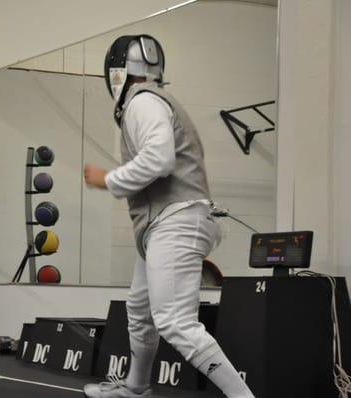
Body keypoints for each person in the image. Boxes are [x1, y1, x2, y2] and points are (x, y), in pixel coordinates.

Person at [83, 35, 254, 398]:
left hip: (175, 220)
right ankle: (137, 387)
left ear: (116, 72)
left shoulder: (142, 102)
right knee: (140, 308)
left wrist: (108, 179)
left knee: (176, 322)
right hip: (162, 223)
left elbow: (159, 160)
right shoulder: (152, 100)